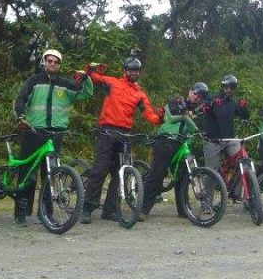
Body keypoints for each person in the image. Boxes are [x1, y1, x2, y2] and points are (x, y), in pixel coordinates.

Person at [12, 49, 93, 226]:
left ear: (59, 65)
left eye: (56, 62)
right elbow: (20, 99)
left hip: (55, 133)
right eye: (49, 61)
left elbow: (85, 93)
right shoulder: (33, 81)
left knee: (51, 173)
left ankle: (46, 213)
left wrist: (86, 78)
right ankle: (21, 213)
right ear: (44, 62)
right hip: (33, 131)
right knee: (27, 173)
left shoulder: (66, 84)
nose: (52, 64)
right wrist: (20, 118)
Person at [82, 56, 161, 223]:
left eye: (136, 71)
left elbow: (149, 114)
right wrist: (93, 68)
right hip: (107, 131)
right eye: (131, 70)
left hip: (125, 134)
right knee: (100, 170)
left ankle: (109, 210)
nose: (134, 73)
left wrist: (159, 117)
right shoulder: (113, 82)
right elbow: (93, 77)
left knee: (120, 173)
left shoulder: (139, 93)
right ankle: (87, 208)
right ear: (125, 71)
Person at [140, 85, 204, 221]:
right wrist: (186, 115)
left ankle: (183, 210)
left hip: (182, 145)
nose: (197, 97)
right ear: (190, 92)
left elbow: (197, 128)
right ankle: (143, 210)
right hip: (166, 140)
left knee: (184, 177)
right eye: (196, 93)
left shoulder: (199, 110)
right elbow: (171, 116)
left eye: (200, 96)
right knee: (157, 174)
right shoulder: (177, 101)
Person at [198, 75, 251, 198]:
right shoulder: (212, 98)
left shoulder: (233, 103)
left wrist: (244, 108)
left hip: (230, 139)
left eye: (231, 88)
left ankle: (236, 193)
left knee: (245, 163)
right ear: (222, 87)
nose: (228, 90)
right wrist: (210, 104)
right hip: (213, 140)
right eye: (226, 87)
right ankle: (207, 204)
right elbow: (202, 108)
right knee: (211, 172)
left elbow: (245, 116)